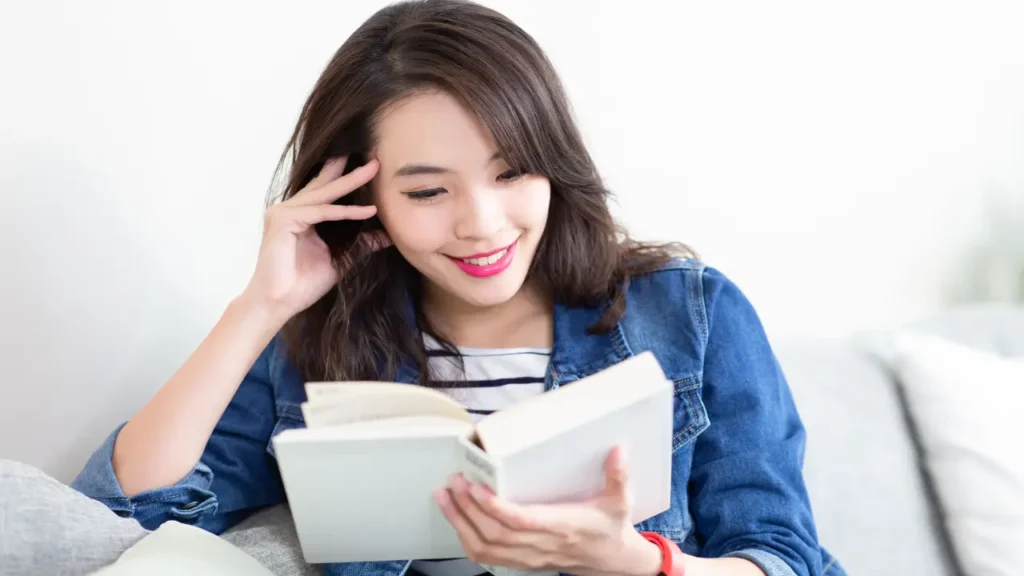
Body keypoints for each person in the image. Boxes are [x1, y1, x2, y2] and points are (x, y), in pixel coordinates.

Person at [70, 1, 845, 575]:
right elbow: (127, 511)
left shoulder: (689, 313)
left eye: (511, 173)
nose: (482, 224)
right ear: (364, 198)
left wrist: (638, 562)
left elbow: (785, 556)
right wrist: (258, 308)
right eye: (428, 192)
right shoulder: (318, 346)